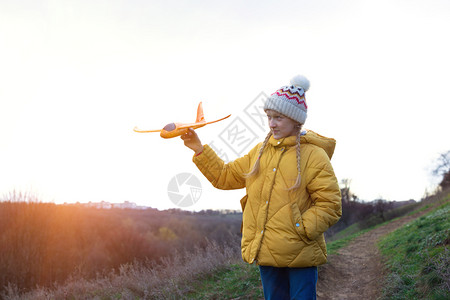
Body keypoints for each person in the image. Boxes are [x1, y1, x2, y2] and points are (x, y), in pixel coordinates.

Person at [181, 75, 342, 300]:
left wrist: (301, 229)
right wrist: (198, 149)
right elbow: (224, 177)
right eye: (269, 117)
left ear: (296, 120)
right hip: (266, 251)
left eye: (278, 118)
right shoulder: (260, 152)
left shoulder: (314, 155)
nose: (272, 123)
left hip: (301, 252)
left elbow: (330, 204)